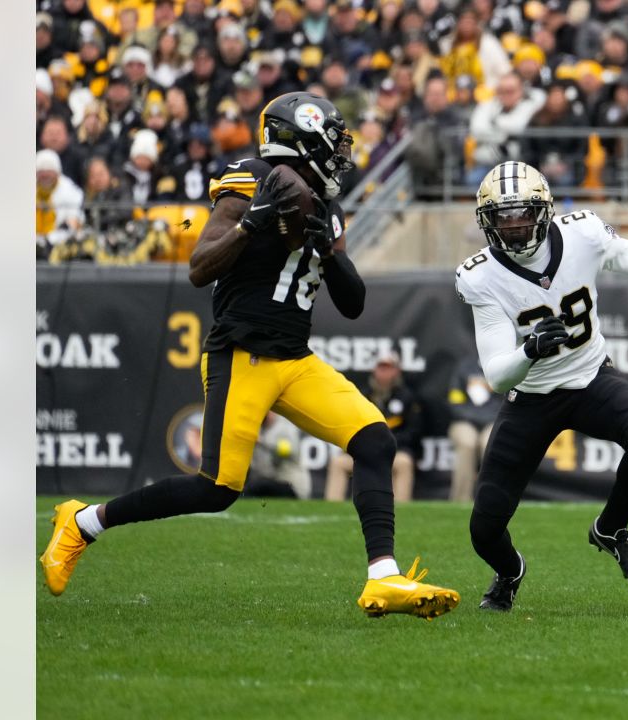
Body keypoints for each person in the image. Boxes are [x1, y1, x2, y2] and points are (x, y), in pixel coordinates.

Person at [39, 91, 460, 620]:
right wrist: (251, 224)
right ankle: (82, 523)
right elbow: (199, 267)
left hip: (294, 359)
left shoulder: (326, 207)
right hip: (241, 354)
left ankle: (383, 578)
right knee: (216, 489)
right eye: (331, 145)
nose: (339, 156)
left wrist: (328, 253)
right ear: (299, 141)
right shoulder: (252, 180)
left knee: (375, 439)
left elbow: (352, 303)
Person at [455, 161, 628, 611]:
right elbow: (497, 375)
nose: (516, 227)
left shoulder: (583, 233)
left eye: (523, 214)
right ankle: (509, 572)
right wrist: (529, 352)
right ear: (488, 221)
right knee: (484, 530)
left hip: (590, 376)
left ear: (544, 211)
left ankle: (611, 529)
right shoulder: (480, 276)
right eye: (504, 217)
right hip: (531, 399)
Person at [326, 353, 423, 503]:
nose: (384, 372)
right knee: (338, 462)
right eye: (381, 367)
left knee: (404, 463)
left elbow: (413, 432)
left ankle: (402, 509)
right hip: (366, 451)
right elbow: (351, 426)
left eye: (388, 368)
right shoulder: (363, 395)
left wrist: (387, 443)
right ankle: (331, 509)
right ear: (374, 370)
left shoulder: (407, 397)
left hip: (394, 452)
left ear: (396, 371)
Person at [446, 357, 502, 503]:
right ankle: (461, 500)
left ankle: (491, 500)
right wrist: (477, 417)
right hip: (464, 422)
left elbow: (508, 403)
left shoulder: (503, 367)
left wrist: (485, 418)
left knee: (490, 443)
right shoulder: (464, 368)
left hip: (493, 421)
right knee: (467, 442)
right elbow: (454, 404)